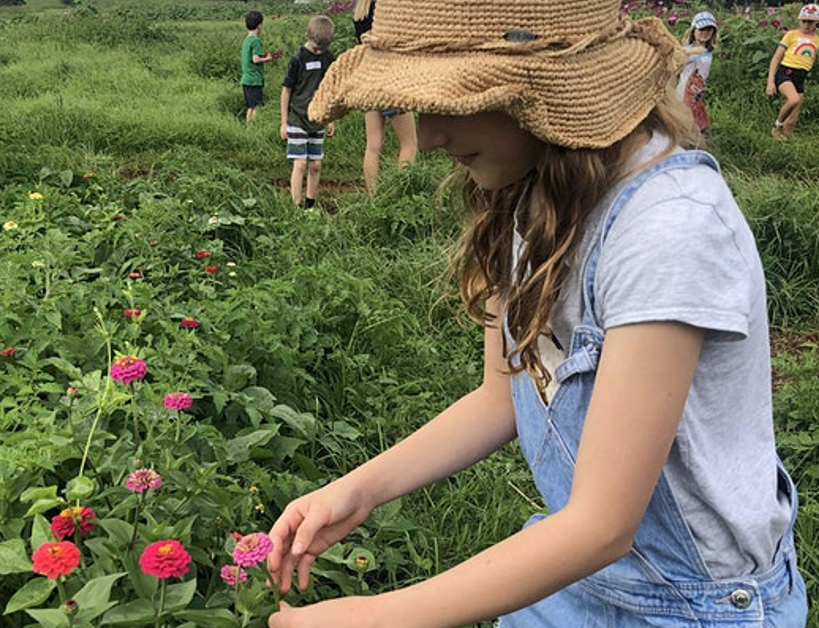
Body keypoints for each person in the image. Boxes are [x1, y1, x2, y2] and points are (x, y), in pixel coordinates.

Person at [266, 0, 808, 626]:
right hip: (575, 570)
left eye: (454, 103)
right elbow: (501, 398)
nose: (432, 135)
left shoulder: (668, 230)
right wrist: (356, 490)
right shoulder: (530, 194)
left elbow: (603, 525)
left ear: (544, 92)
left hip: (688, 605)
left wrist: (377, 616)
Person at [352, 0, 417, 194]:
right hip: (391, 78)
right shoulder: (388, 8)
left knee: (373, 145)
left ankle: (374, 197)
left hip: (369, 77)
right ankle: (400, 195)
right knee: (409, 143)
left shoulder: (359, 10)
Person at [280, 15, 337, 209]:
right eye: (315, 48)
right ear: (307, 36)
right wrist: (284, 122)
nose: (319, 52)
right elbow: (286, 90)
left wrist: (330, 118)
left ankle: (310, 205)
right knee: (301, 164)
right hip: (297, 118)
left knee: (315, 164)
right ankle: (296, 207)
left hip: (318, 118)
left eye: (323, 48)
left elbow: (329, 89)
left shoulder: (328, 58)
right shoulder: (298, 58)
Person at [766, 3, 819, 139]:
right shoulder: (791, 35)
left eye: (811, 21)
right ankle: (777, 126)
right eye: (804, 21)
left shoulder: (817, 40)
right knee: (793, 100)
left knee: (791, 122)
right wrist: (770, 82)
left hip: (801, 77)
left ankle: (783, 146)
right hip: (786, 73)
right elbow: (776, 59)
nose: (806, 24)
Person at [677, 12, 718, 141]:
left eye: (709, 29)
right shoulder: (687, 50)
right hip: (685, 89)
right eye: (701, 29)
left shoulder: (708, 51)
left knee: (698, 112)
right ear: (693, 30)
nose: (705, 32)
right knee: (685, 113)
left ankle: (698, 138)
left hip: (698, 88)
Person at [241, 10, 273, 124]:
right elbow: (255, 59)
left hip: (246, 80)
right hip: (254, 80)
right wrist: (267, 58)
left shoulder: (246, 40)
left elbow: (250, 57)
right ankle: (254, 128)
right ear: (259, 25)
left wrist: (261, 55)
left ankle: (248, 128)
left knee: (250, 107)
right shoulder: (256, 40)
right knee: (256, 107)